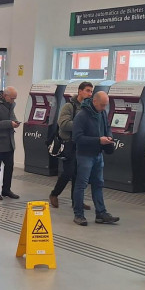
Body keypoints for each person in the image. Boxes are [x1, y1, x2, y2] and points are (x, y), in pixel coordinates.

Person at [72, 91, 120, 226]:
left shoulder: (102, 113)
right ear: (94, 102)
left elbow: (107, 127)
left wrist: (109, 137)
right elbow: (77, 138)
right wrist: (98, 140)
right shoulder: (81, 116)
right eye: (102, 105)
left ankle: (101, 213)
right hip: (84, 155)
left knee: (98, 183)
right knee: (81, 185)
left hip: (98, 154)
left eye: (106, 105)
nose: (104, 108)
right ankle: (78, 215)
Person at [49, 82, 93, 210]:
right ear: (80, 91)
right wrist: (81, 125)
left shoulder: (89, 108)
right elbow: (63, 124)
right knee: (68, 172)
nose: (89, 94)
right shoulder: (69, 106)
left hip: (82, 145)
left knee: (79, 174)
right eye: (87, 91)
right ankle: (54, 194)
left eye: (91, 91)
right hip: (69, 144)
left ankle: (77, 201)